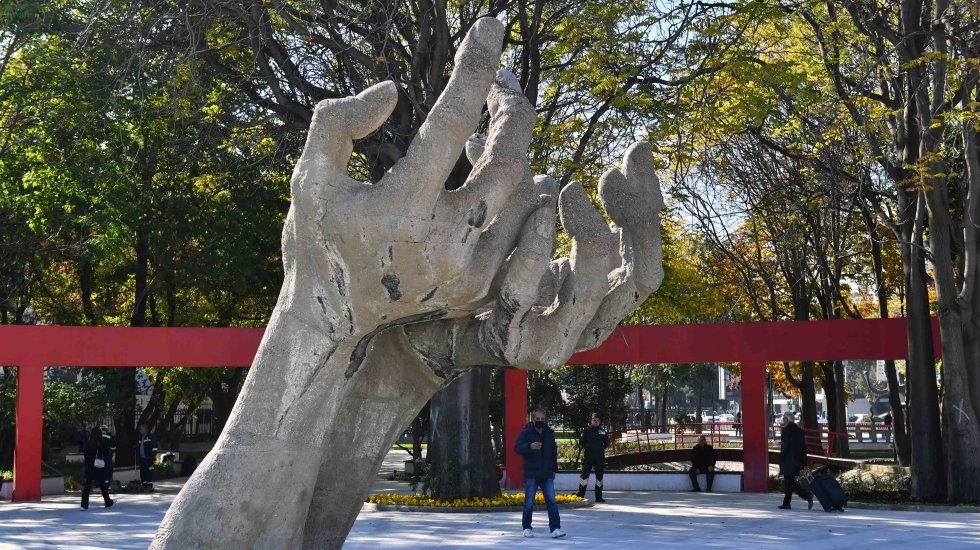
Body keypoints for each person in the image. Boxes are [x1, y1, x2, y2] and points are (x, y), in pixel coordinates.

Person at [514, 408, 565, 539]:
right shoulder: (526, 432)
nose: (540, 421)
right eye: (538, 419)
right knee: (529, 502)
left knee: (552, 501)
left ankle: (555, 529)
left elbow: (553, 452)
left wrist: (554, 470)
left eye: (542, 419)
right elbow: (517, 448)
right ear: (533, 419)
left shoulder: (549, 433)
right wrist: (529, 447)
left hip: (547, 473)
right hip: (532, 473)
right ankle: (527, 528)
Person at [778, 411, 813, 510]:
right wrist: (804, 462)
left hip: (788, 460)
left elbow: (785, 447)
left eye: (784, 419)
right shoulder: (799, 431)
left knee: (789, 483)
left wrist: (781, 459)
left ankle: (807, 495)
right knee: (789, 482)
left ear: (787, 420)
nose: (783, 421)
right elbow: (803, 449)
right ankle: (786, 503)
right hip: (797, 461)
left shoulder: (786, 431)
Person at [576, 412, 609, 502]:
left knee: (599, 478)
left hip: (599, 458)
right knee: (584, 477)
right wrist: (589, 448)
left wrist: (599, 449)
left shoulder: (603, 432)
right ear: (591, 421)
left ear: (600, 422)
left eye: (598, 420)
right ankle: (580, 495)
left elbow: (606, 443)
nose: (596, 422)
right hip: (588, 457)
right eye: (594, 420)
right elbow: (582, 442)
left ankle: (599, 497)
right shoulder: (587, 431)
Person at [80, 426, 114, 510]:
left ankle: (84, 505)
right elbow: (107, 452)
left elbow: (85, 455)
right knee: (102, 486)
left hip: (89, 467)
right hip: (98, 467)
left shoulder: (88, 443)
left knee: (87, 487)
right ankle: (107, 502)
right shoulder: (101, 444)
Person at [137, 424, 159, 489]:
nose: (140, 431)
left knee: (149, 471)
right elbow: (140, 446)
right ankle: (144, 484)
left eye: (141, 429)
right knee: (143, 471)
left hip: (149, 458)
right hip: (142, 459)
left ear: (145, 430)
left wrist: (152, 456)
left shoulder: (150, 437)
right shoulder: (141, 437)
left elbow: (155, 447)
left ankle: (149, 484)